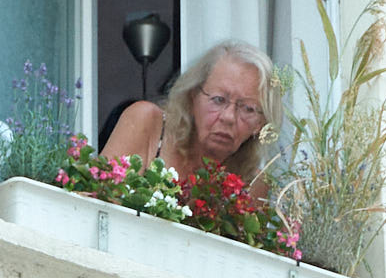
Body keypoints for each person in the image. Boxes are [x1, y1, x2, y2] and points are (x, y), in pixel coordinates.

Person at [99, 40, 281, 195]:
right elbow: (97, 203)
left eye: (248, 109)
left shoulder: (253, 183)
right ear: (192, 96)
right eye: (218, 100)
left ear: (260, 124)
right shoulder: (147, 124)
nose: (228, 117)